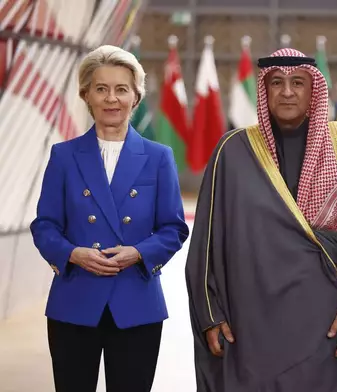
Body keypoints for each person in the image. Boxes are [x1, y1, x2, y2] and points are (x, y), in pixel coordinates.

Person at [185, 48, 337, 391]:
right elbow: (206, 244)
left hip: (330, 322)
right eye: (277, 83)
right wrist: (210, 315)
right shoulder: (233, 151)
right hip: (251, 326)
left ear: (313, 89)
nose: (287, 91)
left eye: (297, 82)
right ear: (265, 90)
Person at [30, 45, 189, 392]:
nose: (111, 98)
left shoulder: (159, 157)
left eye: (121, 89)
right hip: (74, 300)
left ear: (136, 96)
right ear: (86, 95)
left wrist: (139, 253)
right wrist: (72, 254)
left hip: (136, 301)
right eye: (101, 89)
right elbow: (45, 225)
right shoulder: (63, 155)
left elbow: (174, 228)